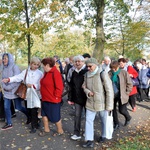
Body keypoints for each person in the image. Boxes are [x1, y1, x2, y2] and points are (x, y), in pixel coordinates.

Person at [2, 57, 43, 133]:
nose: (36, 66)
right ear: (31, 64)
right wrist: (9, 79)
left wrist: (33, 86)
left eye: (38, 65)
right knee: (29, 109)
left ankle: (33, 126)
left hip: (35, 94)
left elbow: (41, 84)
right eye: (34, 64)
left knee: (33, 110)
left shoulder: (40, 73)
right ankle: (35, 121)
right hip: (27, 94)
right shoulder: (26, 71)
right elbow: (18, 77)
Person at [82, 58, 114, 148]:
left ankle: (103, 135)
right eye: (87, 66)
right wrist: (88, 91)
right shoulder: (86, 74)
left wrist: (109, 105)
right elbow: (83, 86)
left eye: (90, 66)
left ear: (95, 65)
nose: (88, 68)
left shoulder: (102, 73)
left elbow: (109, 90)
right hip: (90, 102)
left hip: (102, 103)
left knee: (104, 120)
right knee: (88, 120)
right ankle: (89, 140)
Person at [1, 53, 28, 130]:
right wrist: (4, 87)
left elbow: (17, 80)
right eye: (3, 58)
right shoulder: (3, 67)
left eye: (6, 58)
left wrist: (9, 87)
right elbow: (2, 79)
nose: (4, 60)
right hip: (6, 91)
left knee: (18, 107)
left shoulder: (14, 67)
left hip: (15, 91)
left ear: (10, 59)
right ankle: (9, 123)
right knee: (6, 107)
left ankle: (29, 115)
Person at [38, 57, 64, 137]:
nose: (42, 67)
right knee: (44, 115)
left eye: (43, 65)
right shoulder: (46, 73)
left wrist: (56, 97)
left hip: (53, 100)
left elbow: (59, 87)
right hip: (45, 98)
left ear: (48, 65)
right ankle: (46, 130)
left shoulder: (55, 73)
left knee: (55, 117)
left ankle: (60, 131)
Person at [109, 61, 133, 130]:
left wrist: (127, 92)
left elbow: (129, 84)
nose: (113, 70)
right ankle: (116, 124)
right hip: (112, 94)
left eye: (115, 68)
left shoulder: (124, 73)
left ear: (118, 67)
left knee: (122, 110)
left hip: (122, 94)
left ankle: (128, 117)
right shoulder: (109, 73)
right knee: (112, 110)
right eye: (112, 68)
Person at [69, 55, 88, 140]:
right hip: (77, 98)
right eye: (76, 61)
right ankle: (76, 133)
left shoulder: (87, 71)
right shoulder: (74, 72)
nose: (77, 63)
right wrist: (70, 98)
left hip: (87, 98)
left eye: (79, 61)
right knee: (77, 116)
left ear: (83, 62)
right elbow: (71, 86)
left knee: (88, 117)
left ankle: (87, 132)